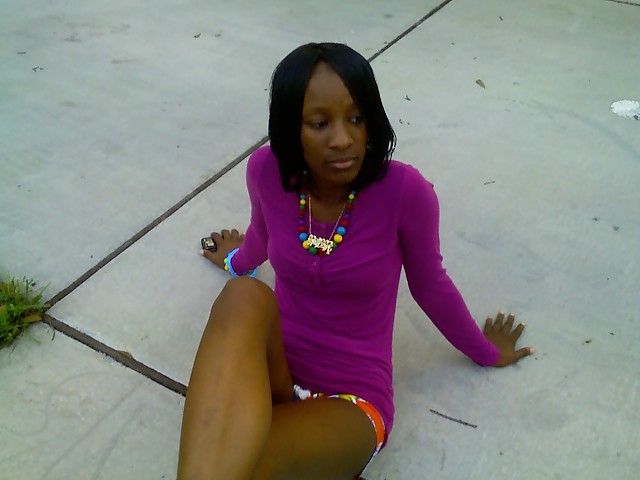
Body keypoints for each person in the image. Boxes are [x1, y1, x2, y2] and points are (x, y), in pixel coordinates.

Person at [177, 42, 534, 480]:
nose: (343, 139)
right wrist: (235, 262)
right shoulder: (266, 170)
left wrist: (486, 352)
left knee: (241, 466)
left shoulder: (405, 193)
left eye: (357, 118)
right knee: (242, 295)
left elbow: (431, 286)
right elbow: (262, 236)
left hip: (349, 399)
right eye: (320, 123)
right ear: (291, 127)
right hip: (275, 366)